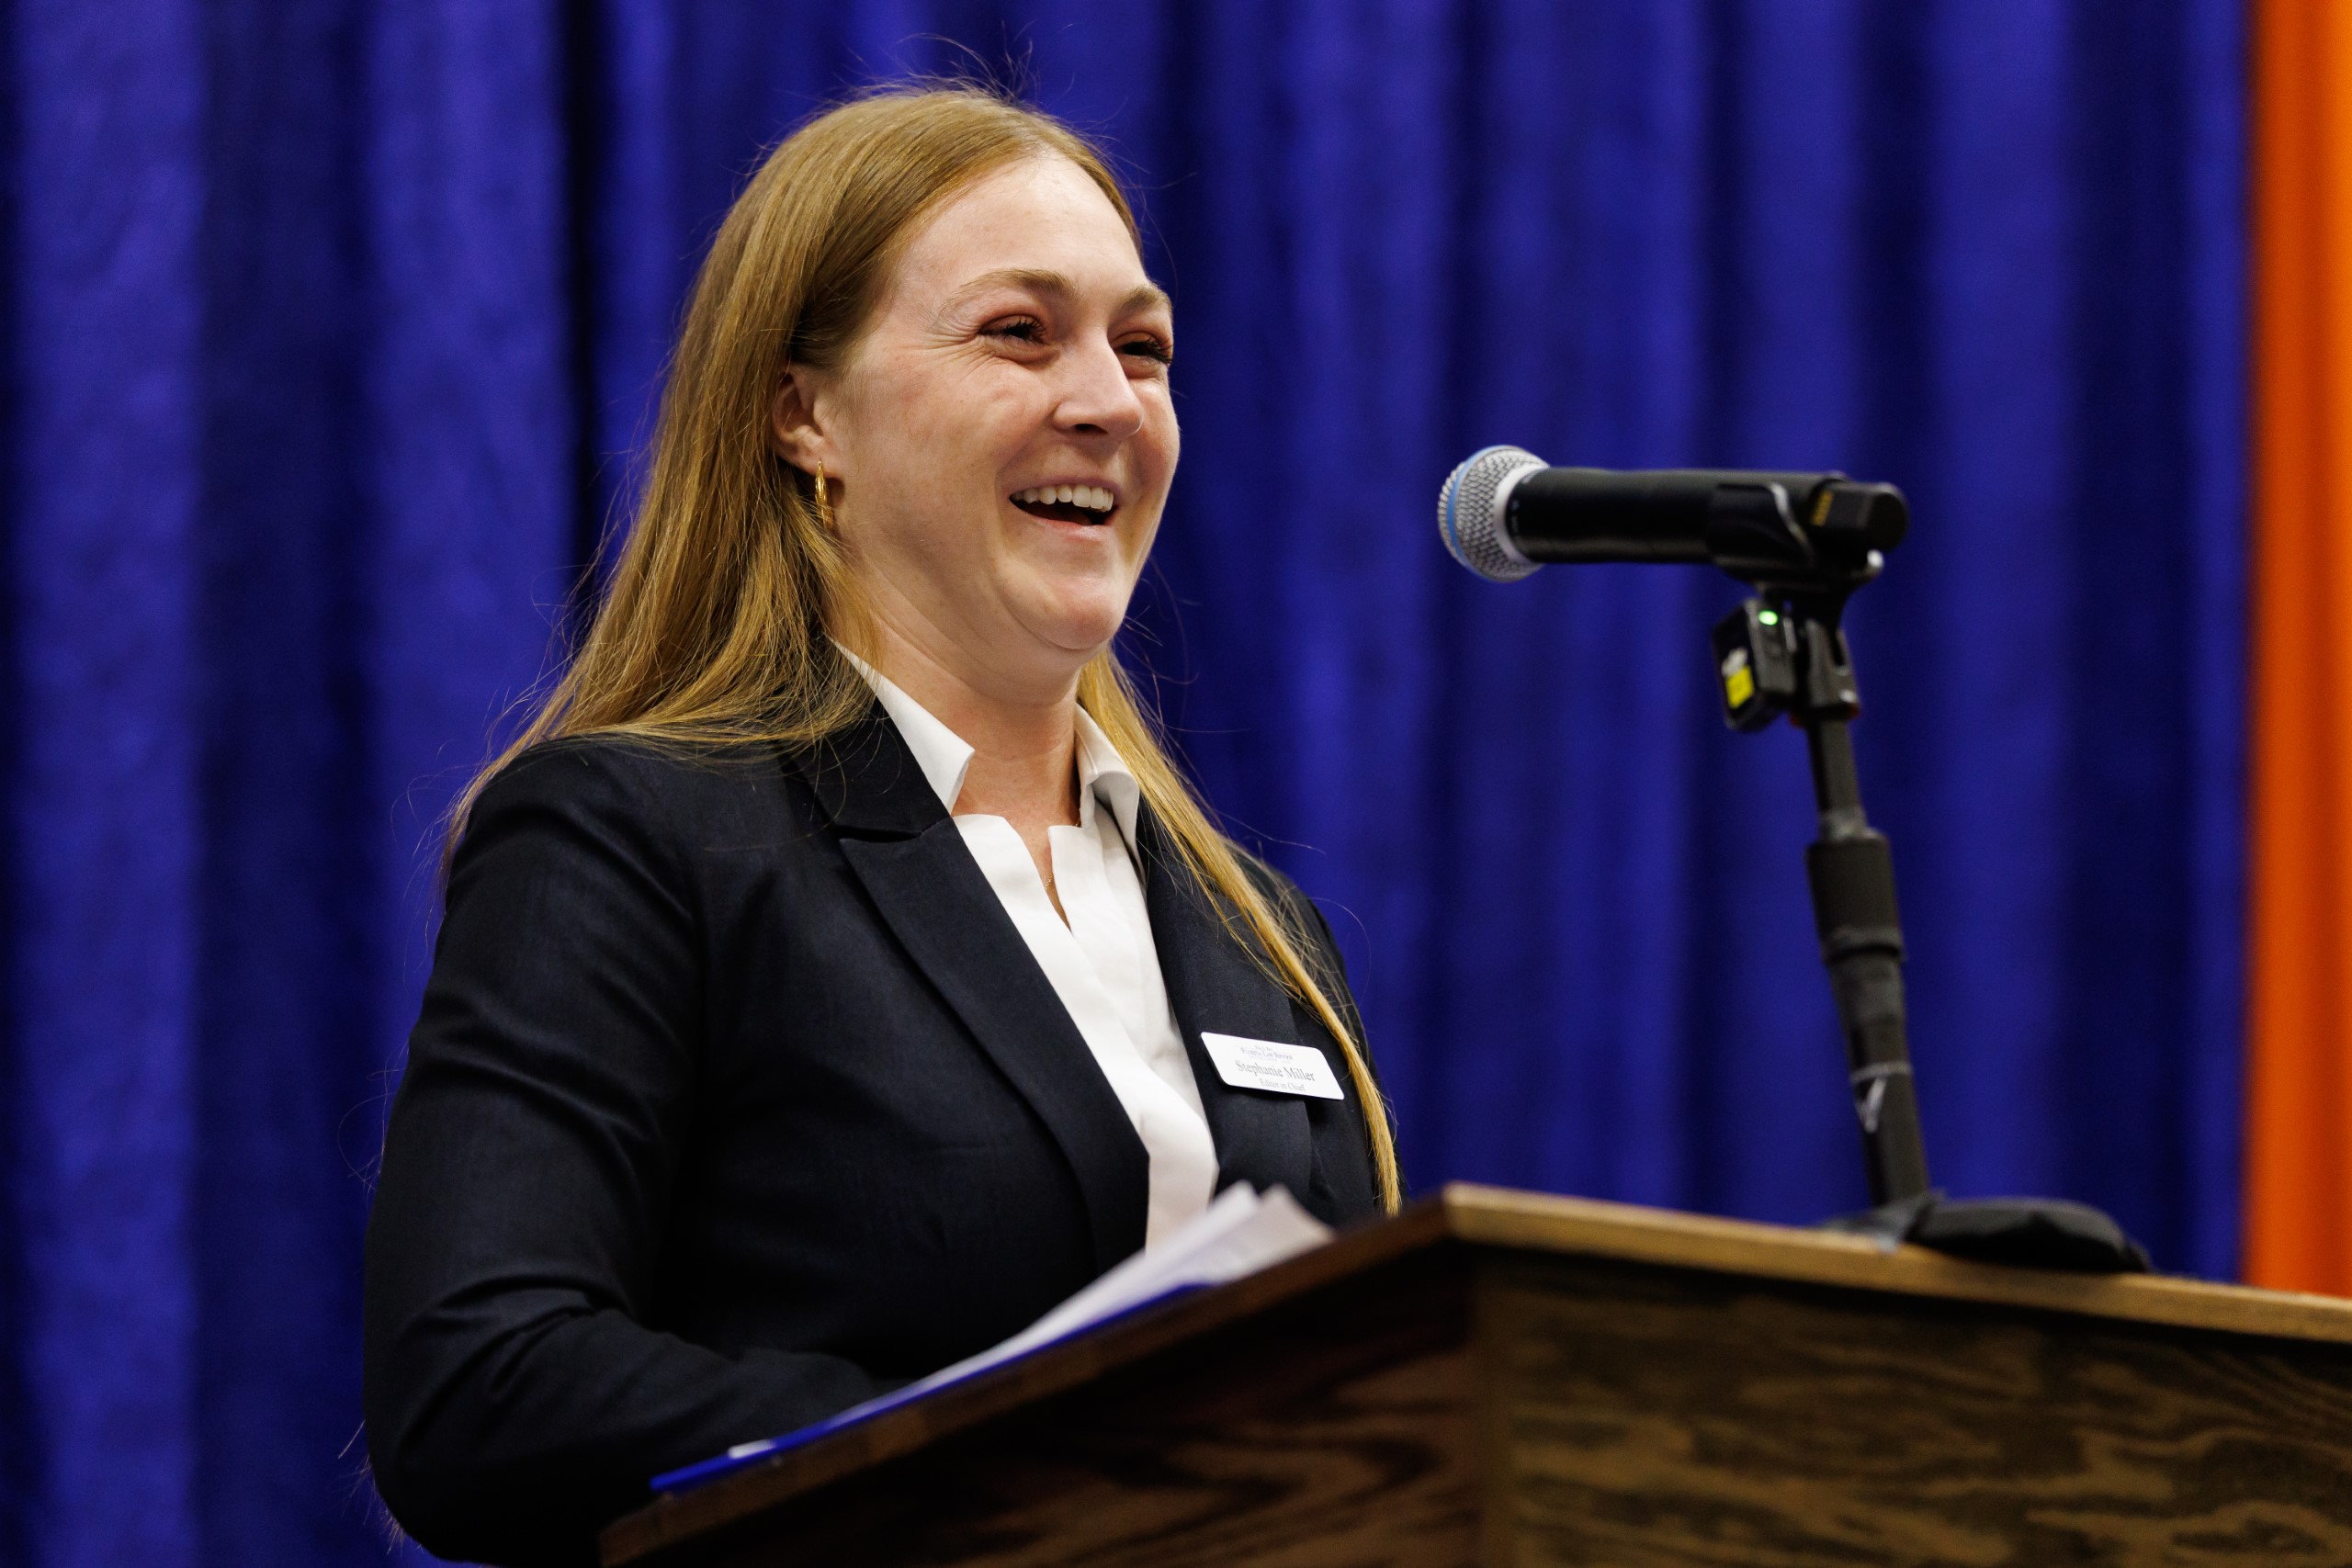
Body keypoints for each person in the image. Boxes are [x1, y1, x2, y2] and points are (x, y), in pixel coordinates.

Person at [362, 85, 1400, 1567]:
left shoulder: (1259, 931)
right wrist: (1015, 1452)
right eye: (1018, 333)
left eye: (1144, 346)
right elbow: (476, 1384)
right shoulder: (641, 836)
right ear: (806, 415)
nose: (1108, 399)